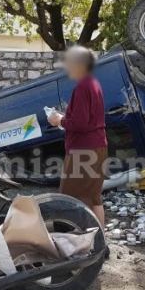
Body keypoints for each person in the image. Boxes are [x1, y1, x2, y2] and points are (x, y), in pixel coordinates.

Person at [47, 46, 107, 226]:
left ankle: (77, 242)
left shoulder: (83, 87)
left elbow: (80, 123)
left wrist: (59, 121)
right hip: (97, 147)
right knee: (94, 198)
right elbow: (86, 119)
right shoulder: (93, 84)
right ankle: (99, 241)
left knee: (70, 198)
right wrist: (66, 117)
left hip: (84, 151)